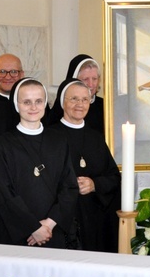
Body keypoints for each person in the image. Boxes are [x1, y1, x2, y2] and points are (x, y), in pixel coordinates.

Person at [0, 78, 80, 277]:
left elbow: (70, 187)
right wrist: (33, 227)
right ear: (16, 105)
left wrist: (49, 224)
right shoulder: (4, 143)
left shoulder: (58, 139)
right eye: (26, 101)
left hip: (53, 236)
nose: (33, 107)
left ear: (46, 104)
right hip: (19, 238)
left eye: (38, 101)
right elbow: (4, 193)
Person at [52, 78, 121, 254]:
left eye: (85, 99)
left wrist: (94, 184)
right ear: (62, 101)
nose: (80, 104)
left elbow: (114, 177)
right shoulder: (50, 135)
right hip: (63, 219)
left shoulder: (96, 137)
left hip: (94, 219)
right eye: (73, 99)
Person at [50, 54, 105, 134]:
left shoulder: (105, 106)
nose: (91, 84)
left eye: (94, 79)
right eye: (85, 79)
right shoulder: (63, 109)